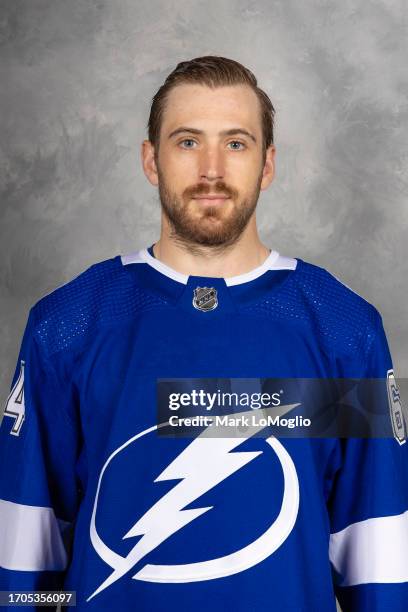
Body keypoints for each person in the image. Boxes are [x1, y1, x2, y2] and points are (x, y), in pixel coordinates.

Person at [0, 55, 407, 611]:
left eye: (236, 143)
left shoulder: (342, 330)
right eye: (188, 141)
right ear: (151, 160)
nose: (211, 168)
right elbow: (22, 570)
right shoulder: (69, 326)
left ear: (267, 165)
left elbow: (378, 558)